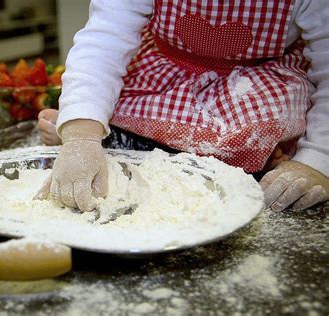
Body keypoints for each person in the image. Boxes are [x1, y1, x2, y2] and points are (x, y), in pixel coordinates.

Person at [37, 0, 328, 213]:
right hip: (164, 76)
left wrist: (316, 160)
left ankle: (261, 157)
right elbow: (103, 42)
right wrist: (80, 133)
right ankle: (105, 132)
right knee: (96, 107)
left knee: (253, 135)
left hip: (253, 85)